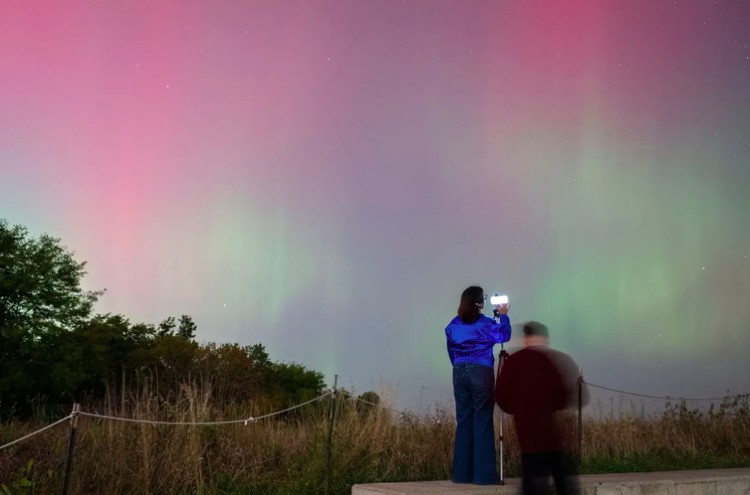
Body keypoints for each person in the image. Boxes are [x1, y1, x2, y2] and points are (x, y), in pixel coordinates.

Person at [495, 321, 587, 495]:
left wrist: (518, 410)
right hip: (551, 431)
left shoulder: (514, 361)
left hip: (525, 431)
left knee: (530, 477)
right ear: (543, 338)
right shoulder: (552, 359)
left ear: (526, 337)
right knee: (561, 478)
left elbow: (500, 394)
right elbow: (563, 394)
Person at [445, 285, 511, 485]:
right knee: (482, 420)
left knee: (464, 420)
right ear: (480, 303)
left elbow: (451, 351)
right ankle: (483, 477)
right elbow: (504, 335)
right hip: (481, 371)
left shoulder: (452, 325)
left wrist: (459, 365)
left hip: (459, 372)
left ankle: (461, 475)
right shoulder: (487, 324)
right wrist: (503, 315)